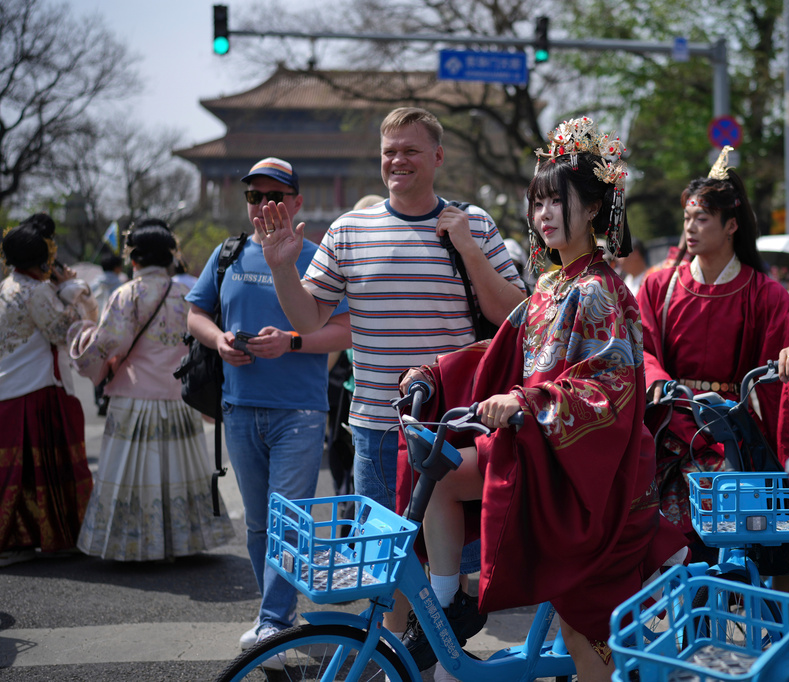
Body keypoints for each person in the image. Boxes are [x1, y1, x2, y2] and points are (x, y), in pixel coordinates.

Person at [397, 117, 672, 680]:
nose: (543, 215)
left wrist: (529, 402)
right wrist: (435, 369)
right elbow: (498, 349)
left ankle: (447, 609)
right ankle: (447, 605)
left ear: (593, 209)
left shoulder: (595, 288)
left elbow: (610, 385)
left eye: (557, 202)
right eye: (538, 202)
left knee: (586, 635)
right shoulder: (551, 284)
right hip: (545, 447)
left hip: (589, 467)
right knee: (435, 461)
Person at [256, 108, 526, 640]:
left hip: (452, 428)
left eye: (410, 150)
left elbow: (515, 314)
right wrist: (281, 267)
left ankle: (443, 654)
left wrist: (469, 248)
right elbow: (308, 319)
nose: (397, 160)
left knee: (455, 563)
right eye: (389, 151)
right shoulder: (349, 230)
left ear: (437, 158)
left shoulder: (473, 224)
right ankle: (397, 661)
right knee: (390, 568)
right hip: (378, 427)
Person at [638, 147, 789, 570]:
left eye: (702, 219)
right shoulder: (660, 285)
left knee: (773, 525)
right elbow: (639, 345)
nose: (690, 228)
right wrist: (654, 375)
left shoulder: (761, 290)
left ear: (731, 225)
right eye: (688, 218)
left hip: (732, 422)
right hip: (671, 417)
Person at [185, 157, 351, 657]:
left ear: (297, 202)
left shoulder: (316, 256)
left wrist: (294, 341)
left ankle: (275, 619)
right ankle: (275, 614)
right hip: (238, 407)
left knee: (287, 518)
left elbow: (345, 330)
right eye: (255, 196)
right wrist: (219, 342)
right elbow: (195, 313)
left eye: (274, 196)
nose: (263, 205)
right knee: (258, 523)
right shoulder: (228, 252)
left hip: (298, 412)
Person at [68, 220, 236, 561]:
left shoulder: (126, 295)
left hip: (134, 396)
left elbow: (108, 343)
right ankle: (183, 541)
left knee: (132, 473)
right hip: (177, 395)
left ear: (134, 259)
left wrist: (83, 339)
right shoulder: (185, 295)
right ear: (169, 258)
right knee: (180, 471)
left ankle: (135, 543)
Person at [0, 213, 97, 567]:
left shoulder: (7, 286)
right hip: (37, 387)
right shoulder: (37, 290)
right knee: (47, 470)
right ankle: (55, 535)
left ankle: (14, 540)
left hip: (10, 386)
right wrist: (73, 293)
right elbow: (61, 330)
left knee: (15, 474)